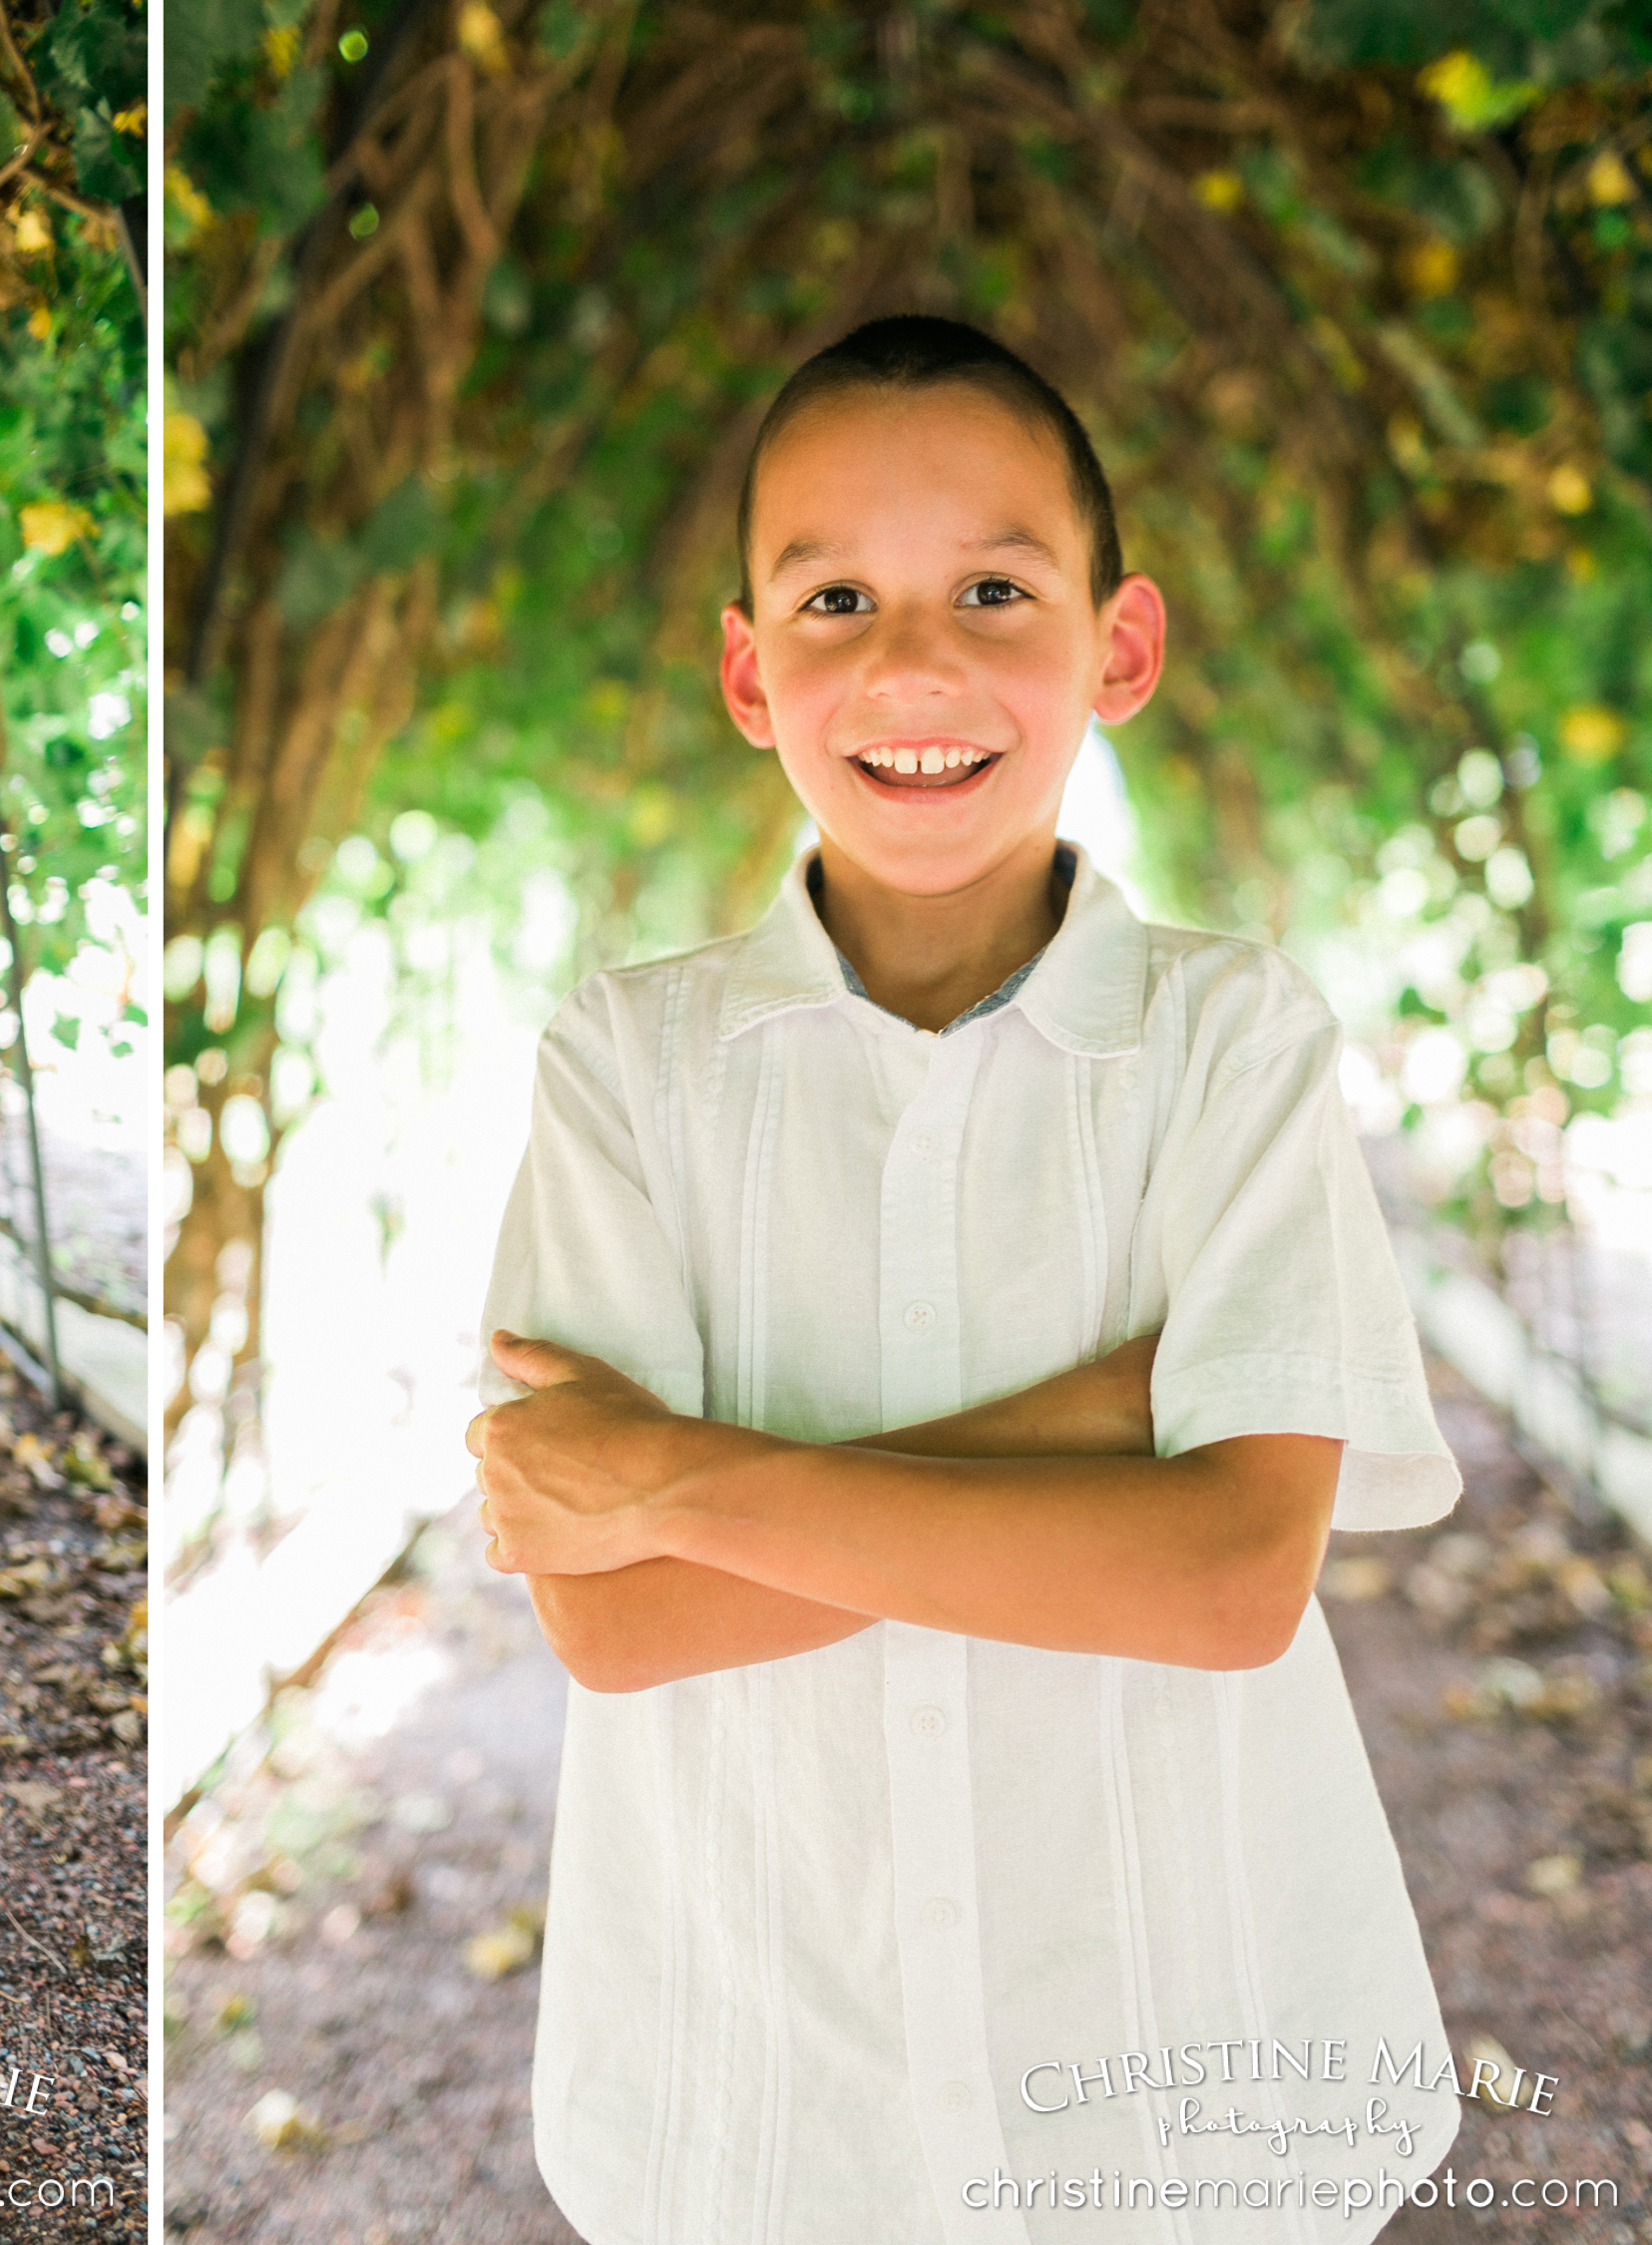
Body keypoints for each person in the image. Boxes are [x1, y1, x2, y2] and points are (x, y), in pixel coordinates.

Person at [469, 317, 1463, 2242]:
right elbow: (619, 1630)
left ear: (1122, 645)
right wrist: (1095, 1421)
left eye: (994, 587)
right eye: (836, 595)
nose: (914, 662)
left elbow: (1231, 1576)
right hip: (762, 2104)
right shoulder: (630, 1062)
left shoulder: (1229, 1039)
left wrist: (672, 1476)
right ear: (751, 672)